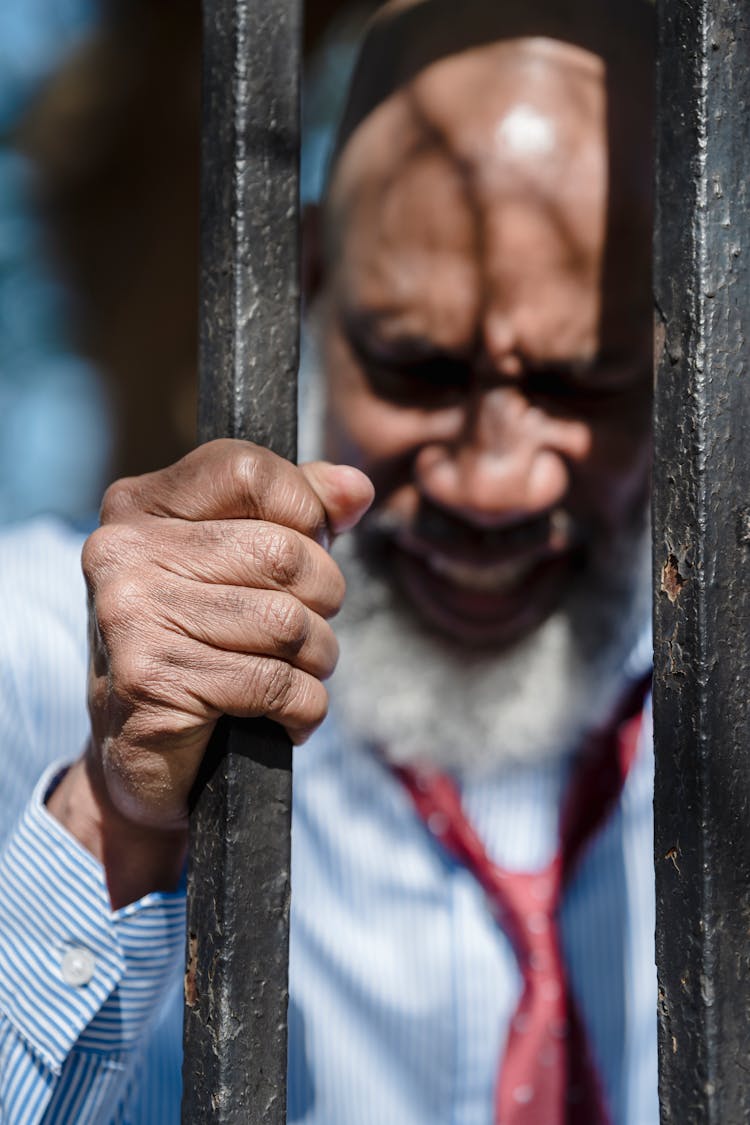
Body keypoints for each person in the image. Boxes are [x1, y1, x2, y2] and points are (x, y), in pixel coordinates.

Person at [0, 0, 657, 1121]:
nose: (495, 482)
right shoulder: (43, 657)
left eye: (581, 384)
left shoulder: (705, 705)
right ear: (305, 281)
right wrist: (114, 821)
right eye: (418, 367)